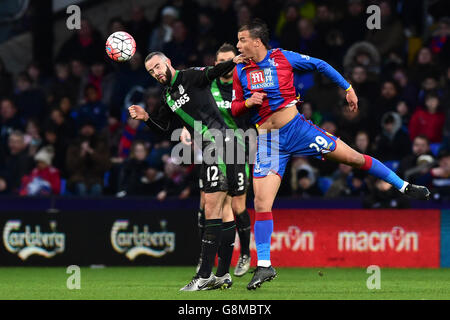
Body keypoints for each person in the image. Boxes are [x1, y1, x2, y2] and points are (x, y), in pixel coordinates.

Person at [231, 19, 431, 290]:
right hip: (268, 142)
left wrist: (348, 88)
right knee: (262, 203)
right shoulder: (239, 70)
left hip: (298, 130)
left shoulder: (283, 58)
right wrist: (247, 103)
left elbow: (320, 65)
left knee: (355, 158)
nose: (238, 44)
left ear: (257, 41)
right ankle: (264, 266)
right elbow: (234, 108)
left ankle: (404, 186)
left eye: (242, 40)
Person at [128, 51, 246, 291]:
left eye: (158, 67)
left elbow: (212, 72)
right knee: (224, 210)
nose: (157, 73)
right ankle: (222, 275)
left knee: (212, 207)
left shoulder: (190, 76)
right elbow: (164, 128)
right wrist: (146, 118)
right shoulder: (168, 97)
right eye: (151, 71)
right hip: (216, 148)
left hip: (222, 143)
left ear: (168, 62)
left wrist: (231, 62)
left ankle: (204, 276)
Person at [179, 44, 253, 277]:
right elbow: (190, 105)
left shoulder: (245, 85)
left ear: (237, 60)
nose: (224, 65)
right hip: (212, 148)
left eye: (228, 60)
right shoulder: (208, 84)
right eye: (219, 61)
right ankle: (206, 255)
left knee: (237, 205)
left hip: (238, 149)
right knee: (205, 202)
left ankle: (244, 255)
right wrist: (184, 127)